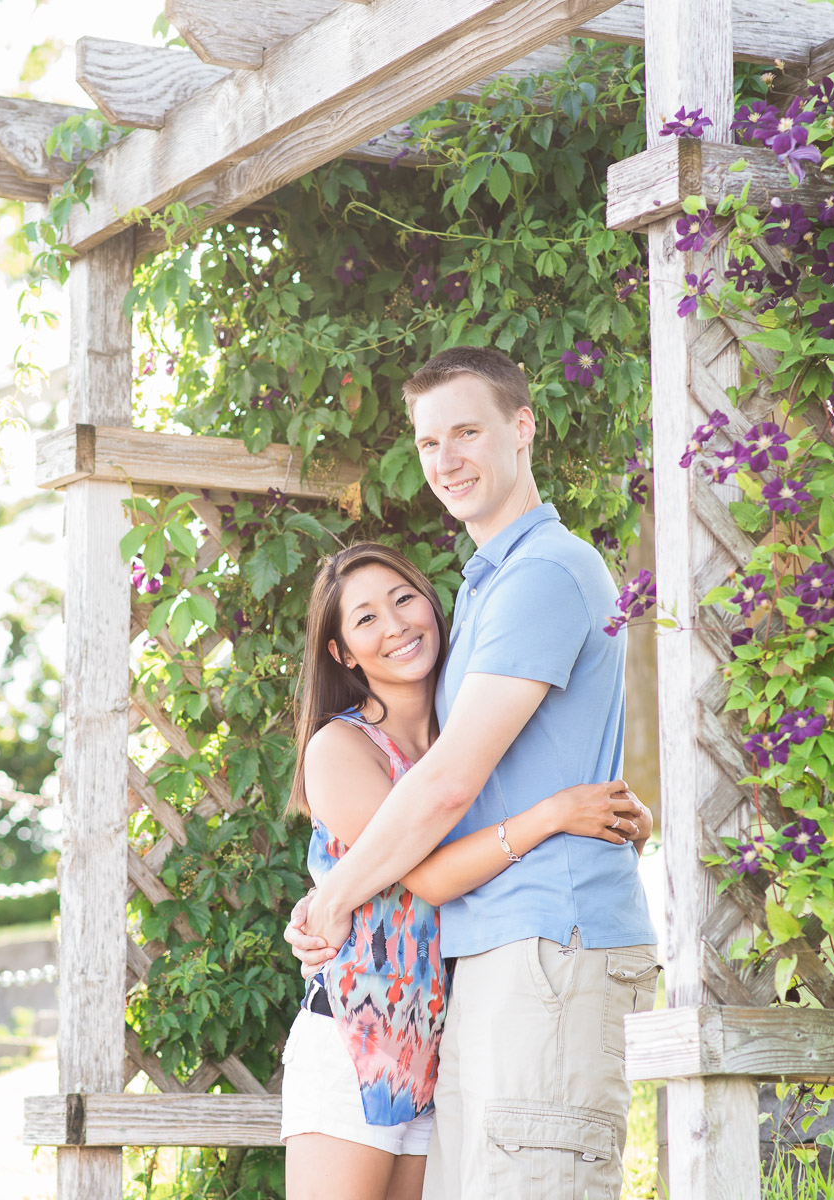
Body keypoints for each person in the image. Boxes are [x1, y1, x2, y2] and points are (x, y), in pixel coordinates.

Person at [285, 346, 660, 1199]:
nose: (446, 460)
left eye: (467, 432)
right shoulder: (487, 586)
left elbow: (451, 782)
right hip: (490, 956)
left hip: (549, 946)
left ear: (522, 428)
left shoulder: (543, 574)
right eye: (427, 443)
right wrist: (561, 805)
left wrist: (334, 897)